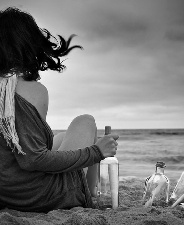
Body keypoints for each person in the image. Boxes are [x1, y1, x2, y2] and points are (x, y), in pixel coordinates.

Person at [0, 7, 119, 212]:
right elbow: (34, 160)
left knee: (64, 136)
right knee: (85, 121)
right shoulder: (30, 90)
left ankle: (88, 188)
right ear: (30, 44)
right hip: (32, 196)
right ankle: (87, 193)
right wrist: (97, 151)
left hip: (5, 189)